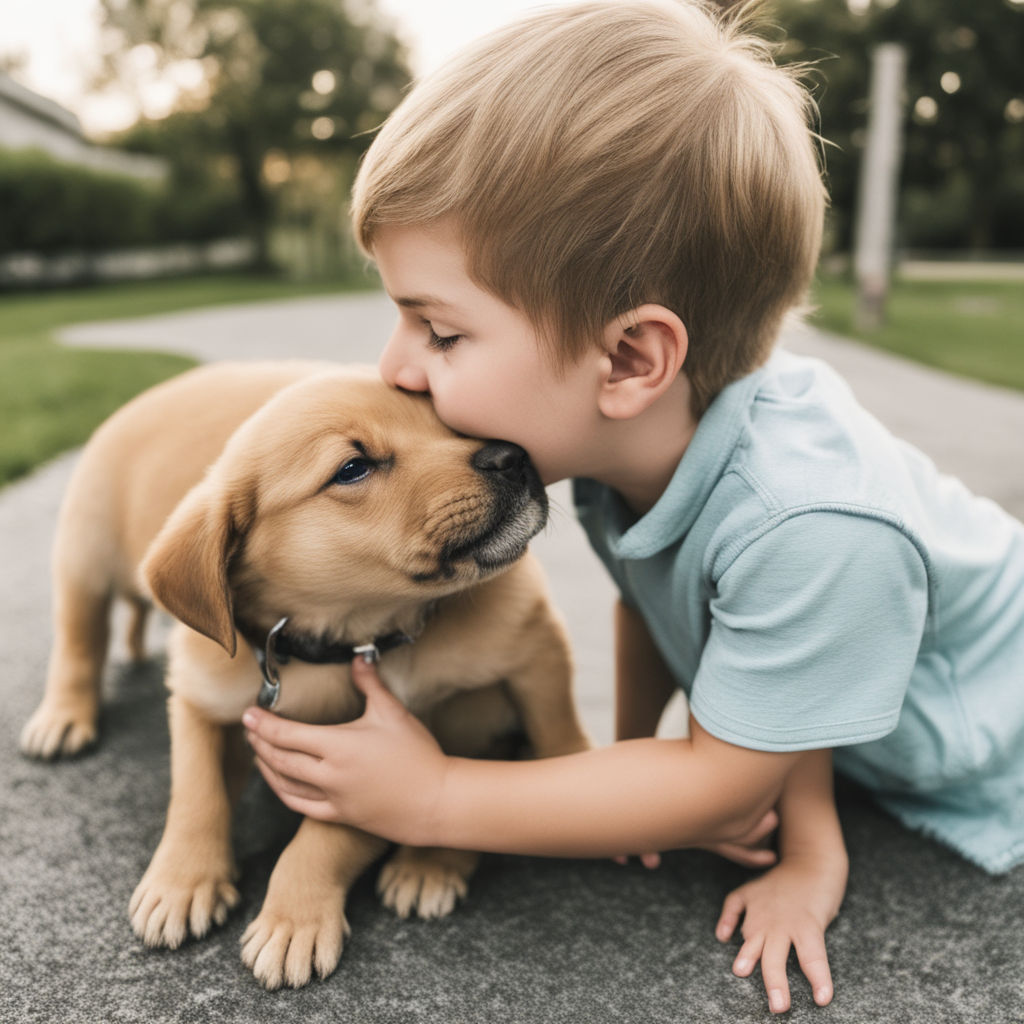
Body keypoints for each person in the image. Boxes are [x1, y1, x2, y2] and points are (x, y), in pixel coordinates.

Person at [241, 0, 1024, 1013]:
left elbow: (732, 767)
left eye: (438, 331)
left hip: (995, 731)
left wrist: (435, 796)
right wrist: (636, 762)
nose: (394, 367)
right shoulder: (634, 446)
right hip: (838, 679)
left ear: (627, 358)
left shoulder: (812, 527)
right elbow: (678, 614)